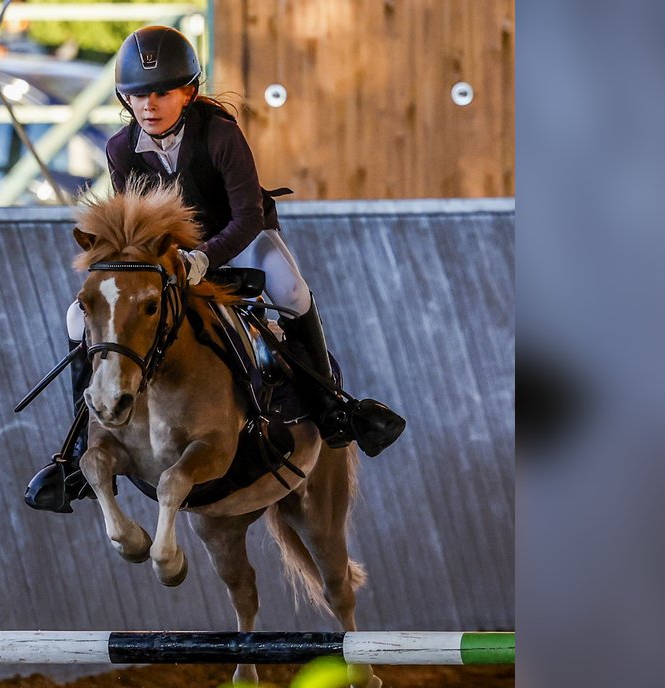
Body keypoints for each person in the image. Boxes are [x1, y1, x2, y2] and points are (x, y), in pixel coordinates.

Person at [26, 25, 405, 513]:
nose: (149, 105)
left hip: (240, 237)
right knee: (77, 319)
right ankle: (79, 450)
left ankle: (332, 404)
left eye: (162, 92)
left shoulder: (220, 134)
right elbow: (132, 225)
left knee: (291, 292)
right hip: (170, 256)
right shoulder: (121, 149)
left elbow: (247, 215)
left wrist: (204, 258)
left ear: (188, 92)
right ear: (124, 97)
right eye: (137, 95)